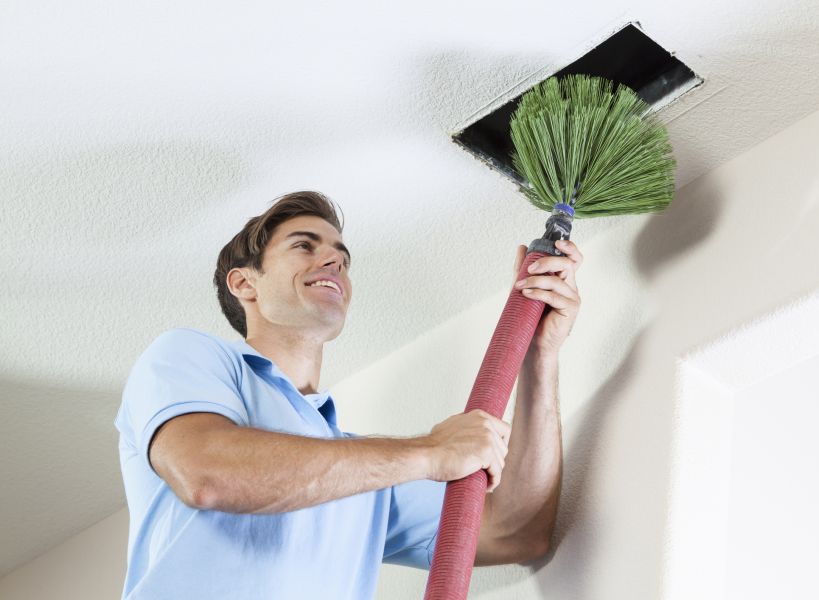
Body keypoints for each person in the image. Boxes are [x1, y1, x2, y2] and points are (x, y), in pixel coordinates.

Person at [114, 191, 582, 599]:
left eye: (342, 255)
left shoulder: (365, 475)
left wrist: (540, 357)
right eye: (304, 246)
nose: (334, 260)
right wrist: (429, 452)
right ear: (244, 283)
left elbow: (517, 532)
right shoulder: (189, 355)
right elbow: (208, 474)